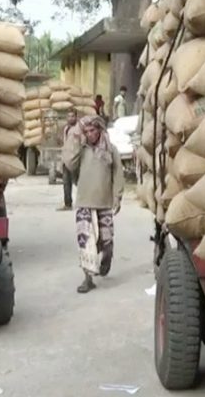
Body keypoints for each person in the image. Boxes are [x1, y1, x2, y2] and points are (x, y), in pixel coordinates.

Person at [62, 115, 125, 293]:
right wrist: (75, 141)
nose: (90, 134)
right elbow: (70, 165)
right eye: (87, 131)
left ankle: (107, 258)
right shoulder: (81, 150)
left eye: (93, 130)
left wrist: (117, 197)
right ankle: (87, 279)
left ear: (100, 130)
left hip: (104, 202)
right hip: (84, 201)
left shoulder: (110, 150)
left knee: (107, 241)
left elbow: (118, 174)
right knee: (85, 243)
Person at [57, 109, 78, 211]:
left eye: (73, 116)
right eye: (69, 116)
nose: (71, 118)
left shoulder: (78, 129)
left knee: (79, 182)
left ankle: (86, 203)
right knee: (66, 182)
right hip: (66, 159)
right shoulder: (66, 129)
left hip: (76, 159)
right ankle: (68, 203)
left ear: (76, 117)